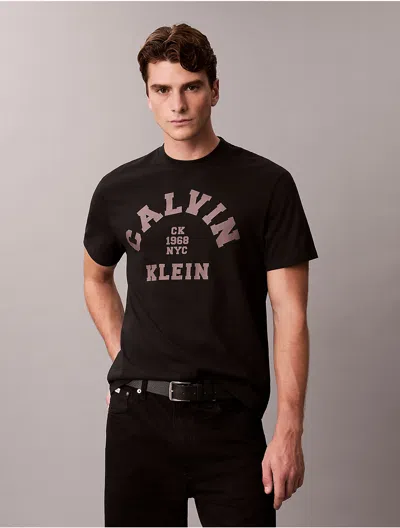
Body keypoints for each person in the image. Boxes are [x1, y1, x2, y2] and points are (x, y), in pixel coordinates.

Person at [83, 22, 318, 527]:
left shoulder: (268, 185)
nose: (177, 105)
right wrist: (124, 354)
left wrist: (289, 430)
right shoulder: (118, 189)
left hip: (230, 420)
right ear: (147, 96)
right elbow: (95, 278)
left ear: (214, 88)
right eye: (162, 90)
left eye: (191, 87)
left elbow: (290, 313)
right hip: (138, 420)